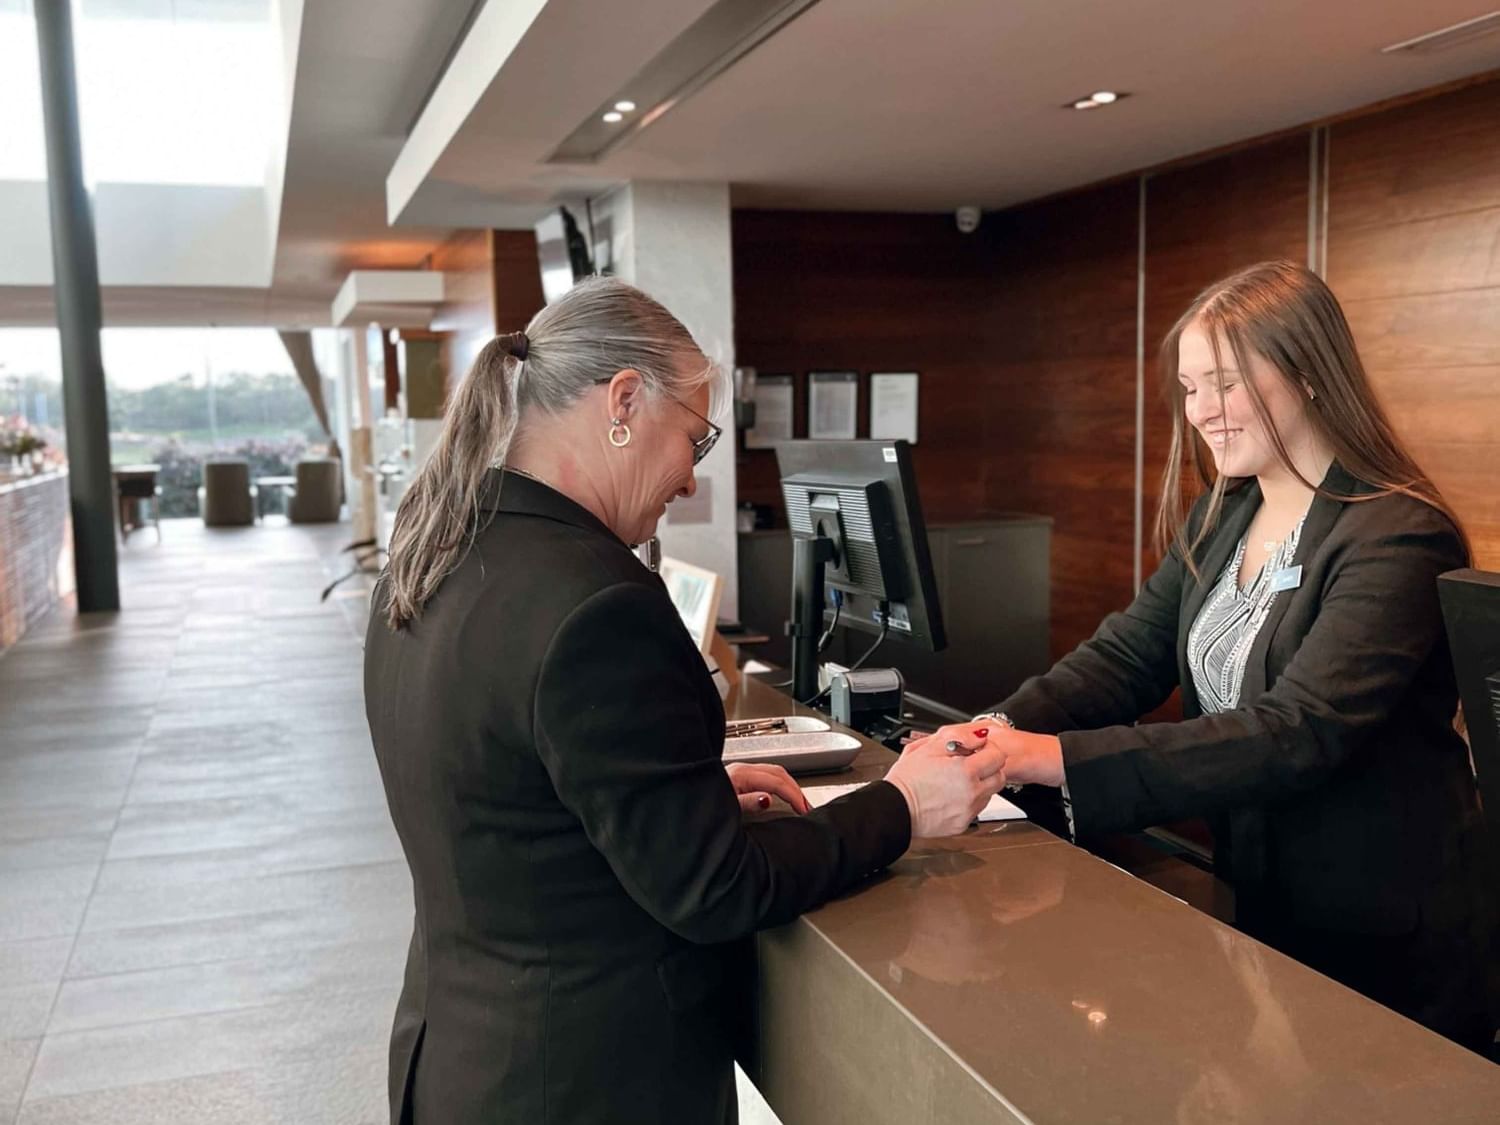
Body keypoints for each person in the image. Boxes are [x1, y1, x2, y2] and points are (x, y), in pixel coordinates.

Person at [364, 276, 1007, 1125]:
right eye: (694, 442)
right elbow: (716, 890)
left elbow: (509, 803)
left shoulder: (432, 552)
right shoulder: (599, 604)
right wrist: (900, 803)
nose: (691, 483)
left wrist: (678, 803)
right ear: (624, 401)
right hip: (581, 1082)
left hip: (456, 1054)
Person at [915, 260, 1495, 1053]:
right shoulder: (1226, 511)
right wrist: (989, 734)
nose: (1203, 412)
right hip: (1268, 899)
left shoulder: (1397, 532)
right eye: (1191, 389)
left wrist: (1050, 758)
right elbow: (1125, 656)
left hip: (1388, 927)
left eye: (1224, 383)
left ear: (1308, 373)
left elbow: (1296, 729)